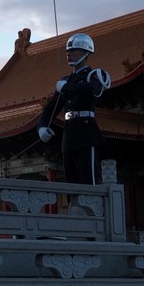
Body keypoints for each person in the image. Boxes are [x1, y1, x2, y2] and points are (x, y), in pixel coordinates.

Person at [37, 33, 111, 185]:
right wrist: (42, 126)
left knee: (88, 182)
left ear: (86, 53)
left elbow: (92, 89)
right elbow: (51, 108)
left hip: (86, 134)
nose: (69, 54)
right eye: (67, 51)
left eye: (73, 50)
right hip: (69, 136)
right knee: (72, 184)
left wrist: (67, 87)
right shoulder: (65, 80)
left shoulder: (94, 75)